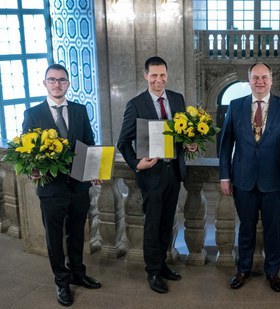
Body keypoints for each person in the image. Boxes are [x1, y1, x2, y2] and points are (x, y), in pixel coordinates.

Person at [218, 62, 280, 293]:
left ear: (271, 80)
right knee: (245, 227)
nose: (260, 82)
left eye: (264, 77)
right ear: (249, 80)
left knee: (272, 228)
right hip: (243, 180)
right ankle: (243, 269)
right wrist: (224, 175)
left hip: (275, 181)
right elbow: (225, 145)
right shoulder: (235, 107)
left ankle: (273, 272)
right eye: (256, 77)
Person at [22, 64, 102, 307]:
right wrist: (33, 169)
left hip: (78, 185)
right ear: (45, 83)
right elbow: (27, 152)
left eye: (62, 80)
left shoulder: (79, 110)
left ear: (68, 83)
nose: (57, 84)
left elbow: (88, 142)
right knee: (54, 239)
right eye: (52, 80)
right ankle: (62, 282)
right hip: (51, 189)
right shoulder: (33, 114)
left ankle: (78, 273)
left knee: (77, 233)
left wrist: (94, 170)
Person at [117, 56, 197, 294]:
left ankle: (162, 265)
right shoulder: (136, 104)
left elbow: (182, 134)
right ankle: (152, 271)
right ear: (146, 76)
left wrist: (190, 144)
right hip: (151, 174)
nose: (159, 80)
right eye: (154, 75)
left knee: (167, 222)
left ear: (167, 74)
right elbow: (123, 141)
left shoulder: (177, 99)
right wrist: (136, 164)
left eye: (162, 75)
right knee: (152, 224)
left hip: (173, 172)